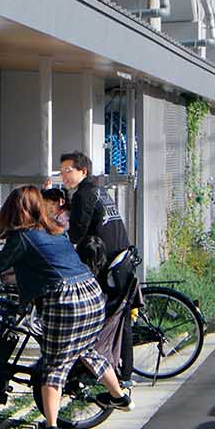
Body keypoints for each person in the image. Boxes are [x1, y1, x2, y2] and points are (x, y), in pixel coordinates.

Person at [0, 186, 128, 429]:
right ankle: (120, 396)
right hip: (92, 295)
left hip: (66, 300)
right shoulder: (56, 230)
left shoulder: (22, 236)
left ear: (13, 209)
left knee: (54, 366)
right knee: (86, 350)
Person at [57, 147, 137, 377]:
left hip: (108, 265)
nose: (63, 175)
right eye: (61, 171)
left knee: (110, 317)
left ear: (83, 170)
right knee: (120, 317)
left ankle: (117, 372)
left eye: (67, 170)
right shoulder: (97, 189)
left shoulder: (85, 194)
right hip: (121, 259)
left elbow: (77, 233)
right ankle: (122, 372)